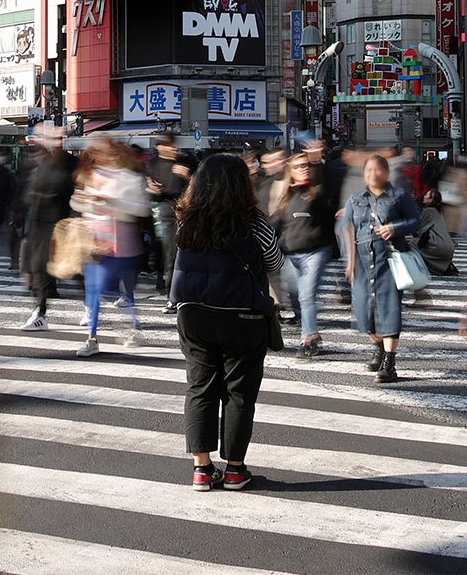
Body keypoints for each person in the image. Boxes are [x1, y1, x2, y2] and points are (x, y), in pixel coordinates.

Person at [169, 152, 283, 491]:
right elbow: (275, 264)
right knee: (239, 393)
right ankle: (234, 469)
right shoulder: (255, 223)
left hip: (194, 314)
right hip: (242, 317)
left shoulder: (186, 221)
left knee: (199, 388)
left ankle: (202, 470)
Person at [339, 153, 421, 383]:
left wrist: (394, 228)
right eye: (368, 170)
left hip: (389, 261)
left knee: (389, 309)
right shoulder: (355, 199)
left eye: (377, 170)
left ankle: (389, 364)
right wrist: (350, 261)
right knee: (364, 312)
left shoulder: (398, 196)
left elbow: (416, 221)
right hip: (363, 264)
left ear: (386, 172)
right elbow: (347, 228)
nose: (372, 174)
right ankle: (378, 348)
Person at [73, 137, 150, 355]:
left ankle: (134, 329)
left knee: (122, 290)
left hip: (122, 244)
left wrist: (112, 202)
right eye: (96, 153)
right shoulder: (91, 176)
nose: (101, 156)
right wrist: (83, 200)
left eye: (105, 152)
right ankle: (92, 338)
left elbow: (143, 209)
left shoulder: (130, 178)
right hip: (94, 242)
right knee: (94, 290)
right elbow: (77, 204)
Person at [269, 154, 333, 358]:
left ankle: (309, 338)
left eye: (306, 165)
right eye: (298, 166)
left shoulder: (318, 192)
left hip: (316, 251)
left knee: (307, 295)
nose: (303, 168)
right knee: (295, 296)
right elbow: (276, 223)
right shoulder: (286, 195)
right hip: (291, 254)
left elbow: (329, 221)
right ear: (291, 171)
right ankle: (309, 328)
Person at [18, 127, 76, 331]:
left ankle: (90, 305)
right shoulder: (44, 163)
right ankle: (40, 311)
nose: (57, 141)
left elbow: (77, 189)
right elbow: (29, 192)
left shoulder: (71, 163)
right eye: (53, 138)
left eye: (60, 137)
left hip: (60, 223)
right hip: (39, 224)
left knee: (73, 270)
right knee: (39, 267)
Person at [146, 133, 193, 304]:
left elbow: (199, 184)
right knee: (166, 249)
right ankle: (169, 291)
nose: (173, 148)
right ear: (158, 147)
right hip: (161, 210)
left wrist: (188, 177)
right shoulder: (152, 164)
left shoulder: (186, 161)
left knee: (180, 251)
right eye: (168, 145)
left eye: (174, 145)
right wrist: (150, 189)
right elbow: (146, 186)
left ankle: (175, 291)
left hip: (184, 210)